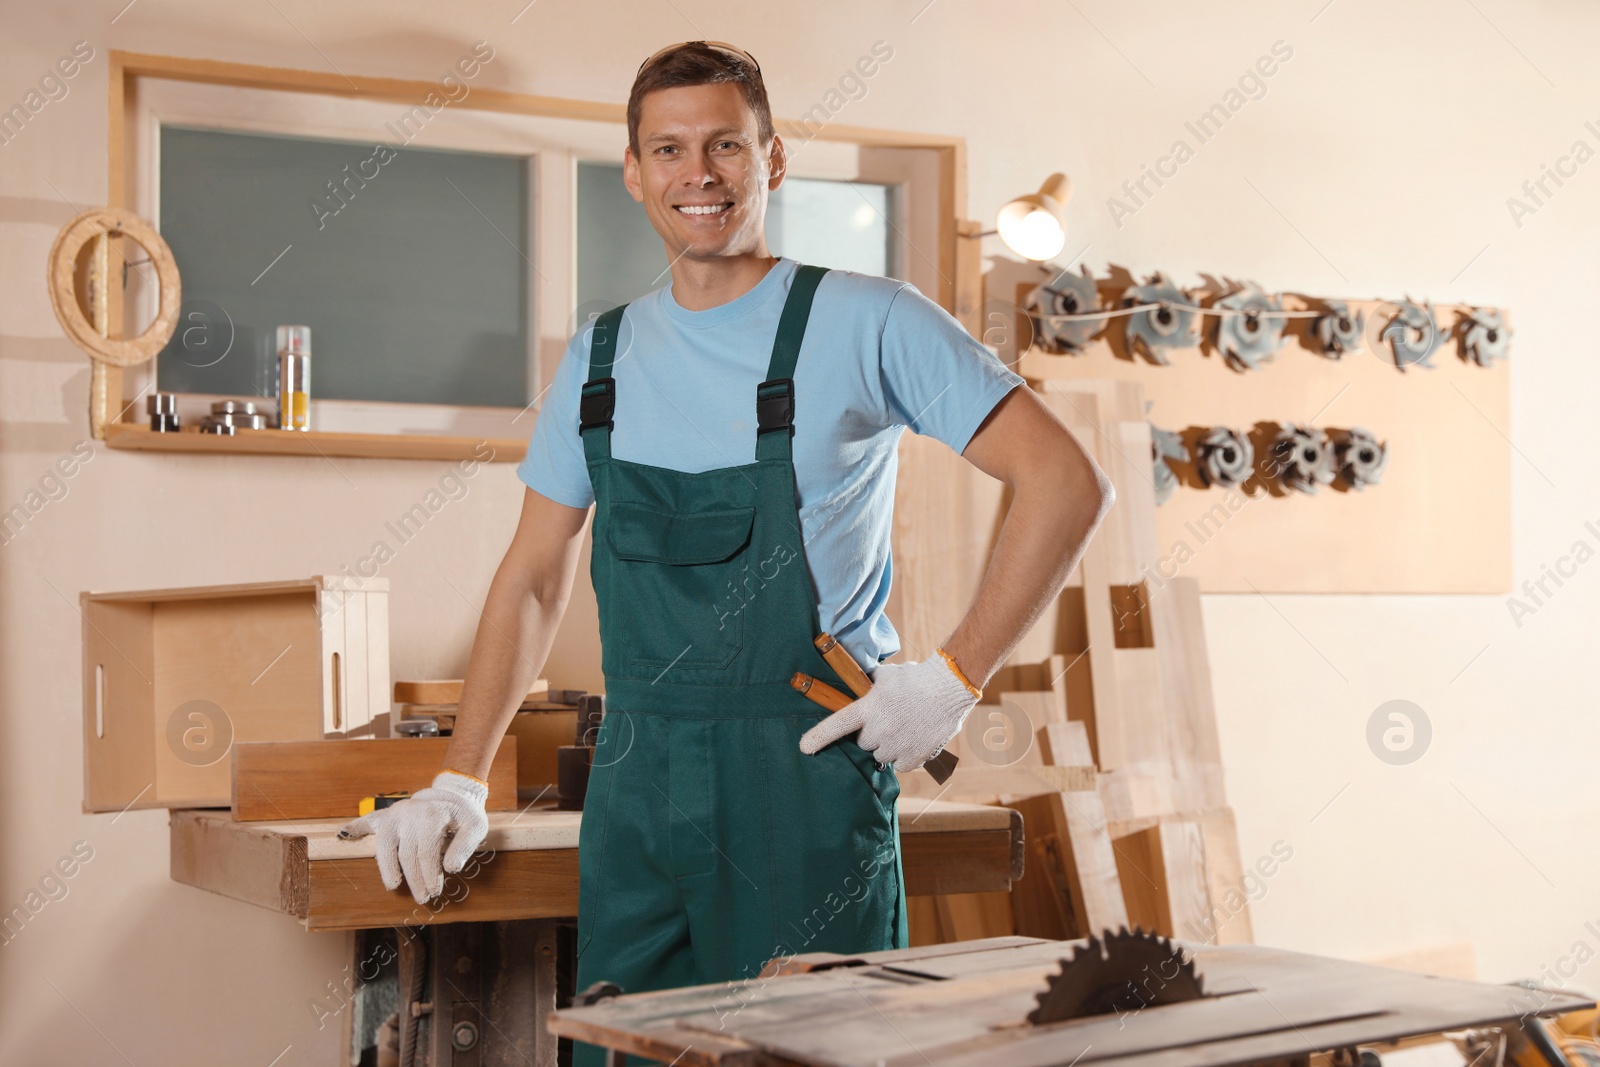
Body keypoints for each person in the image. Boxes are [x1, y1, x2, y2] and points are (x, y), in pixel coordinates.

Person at [341, 40, 1114, 1066]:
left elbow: (1065, 479)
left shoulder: (864, 319)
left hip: (801, 777)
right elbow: (533, 574)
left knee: (816, 1048)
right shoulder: (598, 358)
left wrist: (955, 675)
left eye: (723, 146)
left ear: (772, 160)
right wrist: (458, 778)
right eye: (667, 149)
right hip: (636, 783)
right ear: (633, 170)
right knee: (622, 1047)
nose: (695, 174)